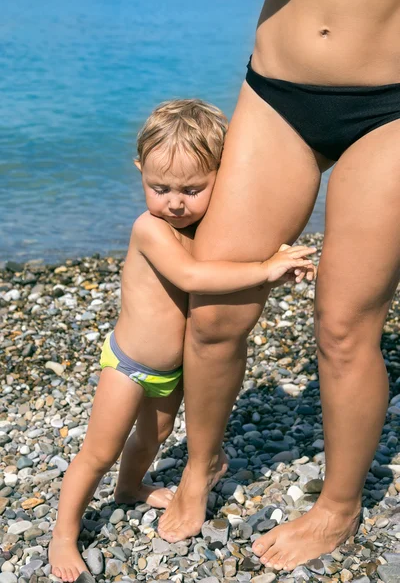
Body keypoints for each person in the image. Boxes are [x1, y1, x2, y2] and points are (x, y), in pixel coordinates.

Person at [158, 0, 400, 573]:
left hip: (393, 106)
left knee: (343, 327)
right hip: (277, 93)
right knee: (215, 313)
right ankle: (201, 463)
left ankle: (338, 507)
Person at [49, 99, 316, 582]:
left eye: (192, 189)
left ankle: (130, 489)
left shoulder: (202, 230)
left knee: (152, 437)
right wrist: (264, 268)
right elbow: (193, 276)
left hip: (170, 372)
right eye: (159, 187)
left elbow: (220, 275)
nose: (174, 201)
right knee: (99, 451)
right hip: (129, 365)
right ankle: (63, 534)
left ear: (222, 177)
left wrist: (271, 276)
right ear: (139, 171)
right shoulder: (150, 229)